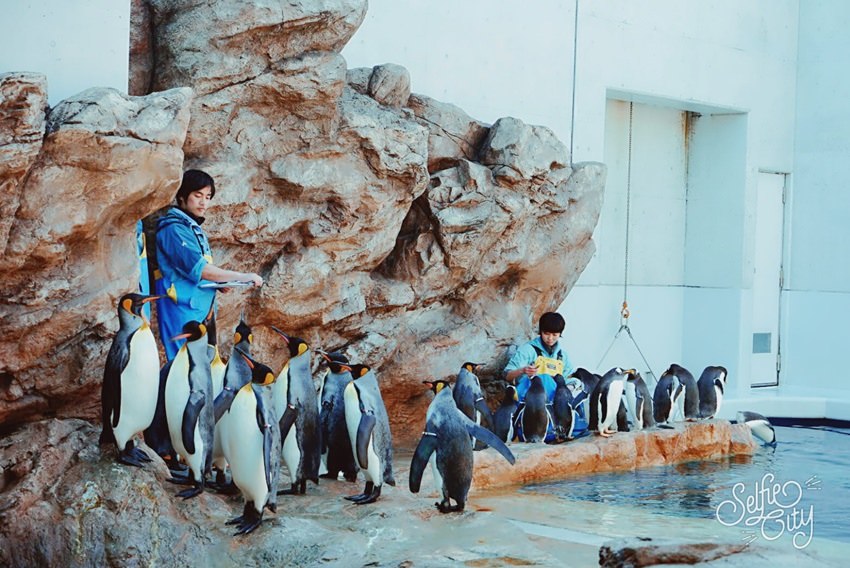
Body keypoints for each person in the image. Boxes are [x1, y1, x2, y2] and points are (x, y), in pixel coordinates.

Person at [155, 169, 263, 360]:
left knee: (199, 370)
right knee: (184, 368)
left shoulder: (190, 227)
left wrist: (218, 284)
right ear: (182, 196)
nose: (204, 202)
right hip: (182, 311)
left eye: (208, 196)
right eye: (197, 196)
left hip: (199, 310)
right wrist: (240, 277)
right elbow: (200, 269)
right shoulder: (174, 230)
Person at [504, 312, 588, 440]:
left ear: (560, 334)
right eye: (546, 334)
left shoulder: (562, 355)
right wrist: (523, 370)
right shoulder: (528, 350)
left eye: (555, 335)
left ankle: (574, 428)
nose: (550, 338)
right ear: (540, 332)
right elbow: (507, 375)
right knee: (545, 379)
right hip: (532, 402)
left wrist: (574, 383)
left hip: (557, 400)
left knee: (577, 387)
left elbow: (567, 377)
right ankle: (547, 430)